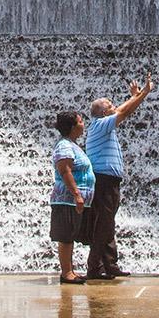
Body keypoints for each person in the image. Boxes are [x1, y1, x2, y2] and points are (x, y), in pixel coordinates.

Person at [82, 74, 155, 279]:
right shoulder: (100, 124)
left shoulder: (102, 125)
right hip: (104, 180)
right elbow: (124, 110)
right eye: (110, 104)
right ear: (104, 112)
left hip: (108, 181)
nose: (114, 105)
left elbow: (122, 108)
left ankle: (110, 264)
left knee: (107, 222)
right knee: (104, 224)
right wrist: (143, 93)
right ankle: (94, 267)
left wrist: (136, 96)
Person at [51, 111, 94, 285]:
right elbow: (65, 170)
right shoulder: (64, 146)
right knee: (66, 236)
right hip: (66, 199)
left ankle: (70, 270)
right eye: (81, 121)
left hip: (72, 199)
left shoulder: (71, 144)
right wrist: (77, 194)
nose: (84, 124)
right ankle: (66, 272)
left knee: (70, 235)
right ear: (72, 127)